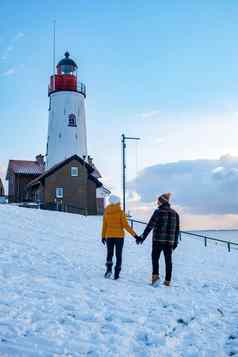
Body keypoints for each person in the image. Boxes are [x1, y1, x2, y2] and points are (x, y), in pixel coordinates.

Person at [136, 193, 180, 286]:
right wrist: (175, 242)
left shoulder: (158, 212)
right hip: (169, 242)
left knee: (155, 258)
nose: (157, 203)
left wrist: (142, 237)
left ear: (162, 202)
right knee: (168, 261)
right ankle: (167, 281)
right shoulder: (175, 214)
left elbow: (150, 226)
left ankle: (155, 279)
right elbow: (177, 230)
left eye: (158, 201)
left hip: (158, 240)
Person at [101, 194, 138, 280]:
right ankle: (116, 273)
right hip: (119, 237)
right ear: (117, 202)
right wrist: (135, 236)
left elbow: (104, 226)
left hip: (109, 236)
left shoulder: (106, 211)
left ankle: (108, 270)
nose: (120, 203)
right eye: (119, 202)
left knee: (109, 254)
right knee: (118, 255)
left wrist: (103, 236)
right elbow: (126, 226)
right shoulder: (120, 212)